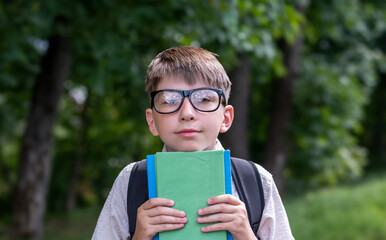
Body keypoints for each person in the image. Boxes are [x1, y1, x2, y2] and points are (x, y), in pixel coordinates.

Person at [92, 46, 294, 240]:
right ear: (152, 121)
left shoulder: (256, 180)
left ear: (225, 118)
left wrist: (246, 234)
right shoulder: (131, 181)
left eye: (204, 99)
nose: (187, 113)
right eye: (170, 100)